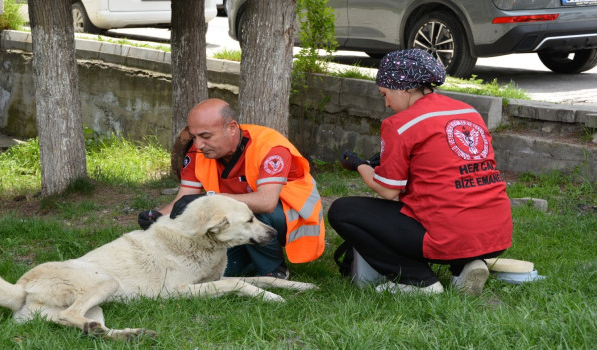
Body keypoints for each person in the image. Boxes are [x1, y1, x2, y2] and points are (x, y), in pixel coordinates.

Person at [328, 48, 512, 295]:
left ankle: (417, 281)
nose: (386, 103)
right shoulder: (468, 111)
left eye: (385, 94)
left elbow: (388, 190)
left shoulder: (400, 124)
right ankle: (465, 266)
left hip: (447, 233)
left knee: (343, 211)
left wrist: (359, 165)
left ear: (403, 87)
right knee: (453, 202)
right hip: (495, 234)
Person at [138, 98, 325, 279]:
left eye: (205, 136)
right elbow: (185, 199)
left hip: (294, 217)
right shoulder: (199, 151)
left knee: (249, 211)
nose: (198, 145)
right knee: (220, 273)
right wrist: (156, 216)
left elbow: (266, 202)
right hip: (239, 220)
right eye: (194, 137)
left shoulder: (270, 146)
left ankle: (274, 272)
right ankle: (251, 257)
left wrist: (208, 198)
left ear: (232, 128)